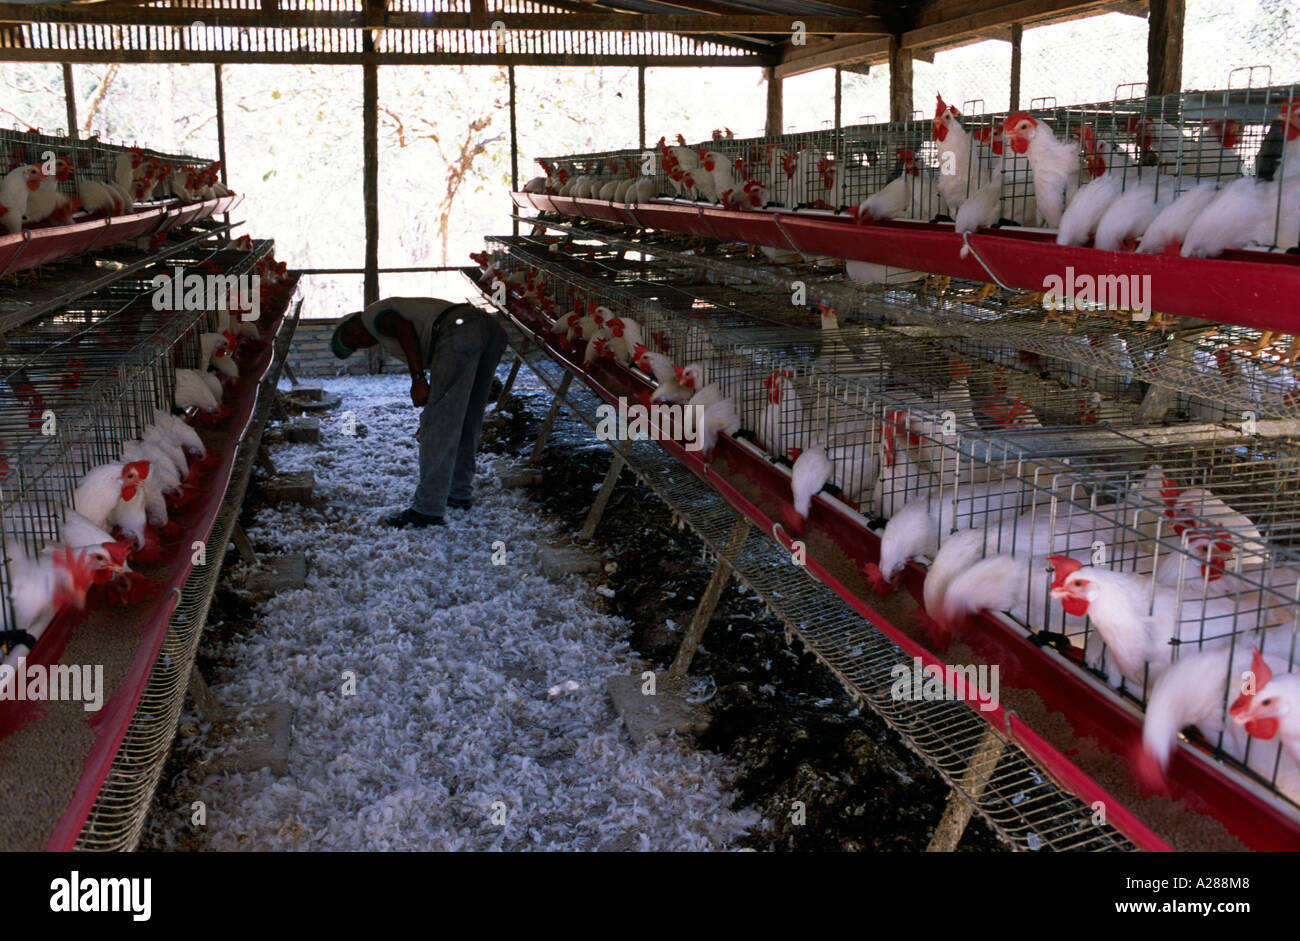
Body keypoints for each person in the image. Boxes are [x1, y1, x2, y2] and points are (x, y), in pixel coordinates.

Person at [331, 297, 508, 527]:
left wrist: (417, 379)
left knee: (439, 424)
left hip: (460, 330)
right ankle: (459, 493)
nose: (359, 340)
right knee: (467, 418)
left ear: (354, 318)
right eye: (355, 345)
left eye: (352, 334)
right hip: (487, 330)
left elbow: (404, 329)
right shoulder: (380, 326)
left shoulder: (372, 317)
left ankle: (427, 509)